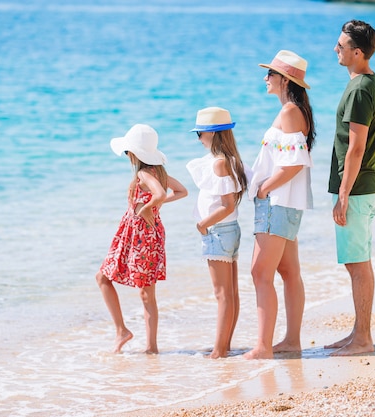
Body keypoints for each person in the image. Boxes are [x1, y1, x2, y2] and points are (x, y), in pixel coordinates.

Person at [244, 50, 316, 360]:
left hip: (277, 203)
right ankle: (291, 341)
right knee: (288, 271)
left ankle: (263, 346)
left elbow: (294, 164)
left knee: (260, 272)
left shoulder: (289, 112)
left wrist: (263, 189)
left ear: (284, 80)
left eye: (270, 74)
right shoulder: (293, 111)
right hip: (284, 203)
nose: (265, 78)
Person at [96, 124, 187, 354]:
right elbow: (181, 191)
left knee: (104, 279)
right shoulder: (160, 173)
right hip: (144, 234)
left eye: (128, 152)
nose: (127, 156)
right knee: (145, 293)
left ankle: (123, 332)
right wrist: (153, 208)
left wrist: (147, 207)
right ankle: (151, 347)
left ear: (135, 153)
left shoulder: (144, 173)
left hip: (140, 235)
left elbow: (159, 194)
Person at [325, 20, 375, 356]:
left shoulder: (361, 89)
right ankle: (357, 333)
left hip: (358, 188)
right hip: (364, 186)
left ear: (357, 53)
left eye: (341, 45)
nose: (336, 49)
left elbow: (356, 147)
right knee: (357, 261)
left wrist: (344, 194)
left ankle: (363, 339)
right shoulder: (369, 83)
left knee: (358, 262)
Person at [186, 107, 249, 359]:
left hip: (218, 231)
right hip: (228, 231)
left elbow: (227, 205)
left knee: (223, 294)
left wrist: (203, 224)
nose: (199, 139)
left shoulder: (220, 163)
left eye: (200, 133)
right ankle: (225, 344)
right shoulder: (230, 160)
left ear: (212, 134)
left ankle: (220, 350)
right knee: (230, 292)